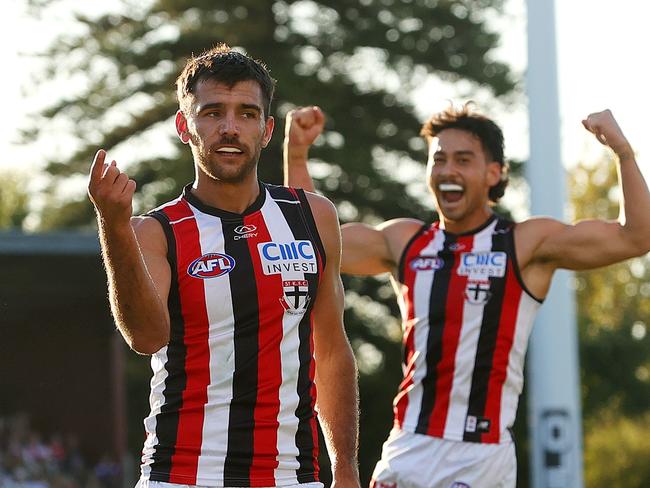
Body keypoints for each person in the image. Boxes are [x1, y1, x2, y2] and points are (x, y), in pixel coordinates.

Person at [284, 104, 650, 487]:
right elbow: (311, 244)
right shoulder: (405, 241)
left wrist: (623, 152)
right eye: (438, 159)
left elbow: (636, 236)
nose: (448, 171)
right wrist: (296, 154)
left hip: (481, 459)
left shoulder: (524, 244)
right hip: (408, 448)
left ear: (495, 173)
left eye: (463, 159)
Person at [87, 45, 361, 488]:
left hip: (293, 477)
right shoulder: (156, 231)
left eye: (247, 114)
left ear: (267, 129)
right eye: (212, 112)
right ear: (184, 126)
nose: (230, 128)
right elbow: (145, 337)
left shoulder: (314, 217)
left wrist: (345, 467)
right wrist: (113, 225)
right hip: (181, 475)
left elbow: (330, 350)